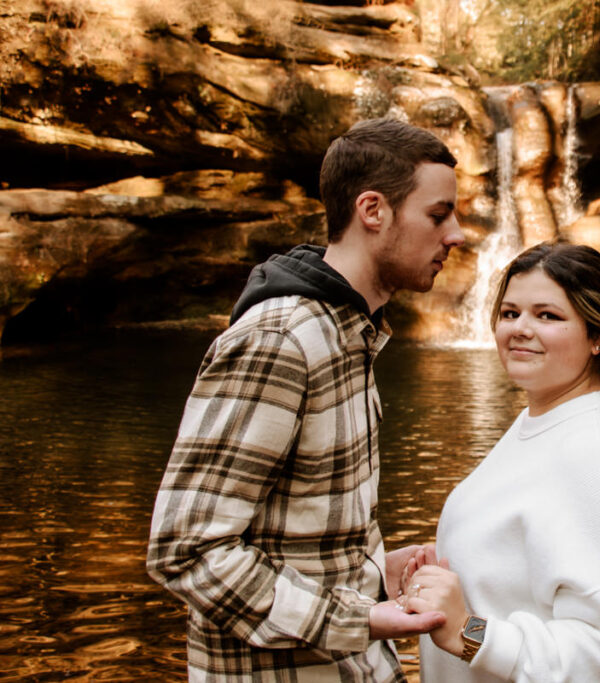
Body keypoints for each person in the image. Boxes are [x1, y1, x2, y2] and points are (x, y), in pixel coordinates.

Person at [146, 117, 466, 681]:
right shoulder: (281, 340)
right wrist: (360, 617)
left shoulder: (352, 334)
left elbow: (292, 537)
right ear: (373, 211)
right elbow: (187, 550)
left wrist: (372, 573)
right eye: (439, 215)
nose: (457, 234)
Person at [403, 241, 600, 682]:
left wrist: (467, 632)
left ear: (598, 336)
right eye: (510, 313)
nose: (520, 328)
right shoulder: (542, 421)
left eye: (547, 315)